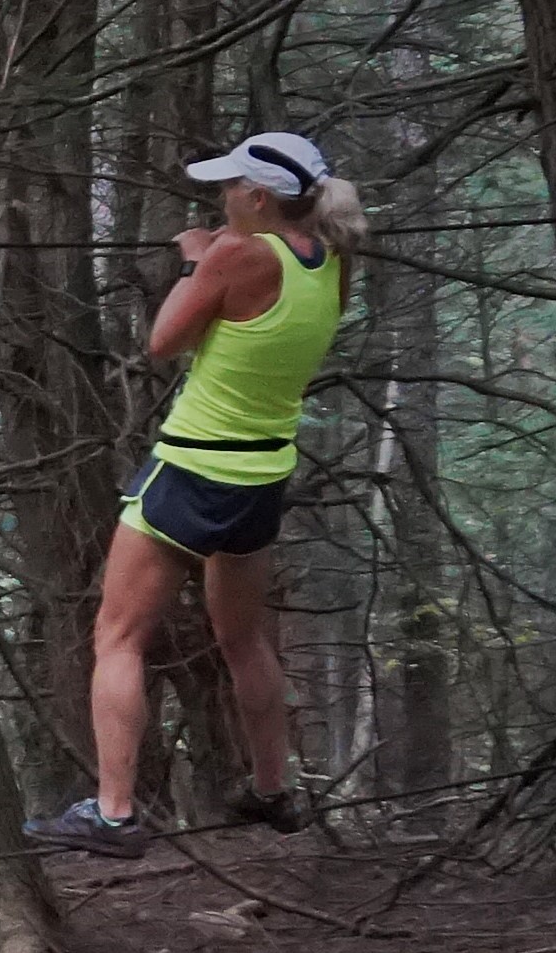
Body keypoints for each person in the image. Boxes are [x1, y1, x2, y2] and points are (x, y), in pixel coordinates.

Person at [28, 126, 367, 859]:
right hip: (263, 474)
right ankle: (272, 789)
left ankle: (113, 815)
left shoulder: (236, 256)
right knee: (242, 638)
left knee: (117, 637)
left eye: (230, 186)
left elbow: (163, 342)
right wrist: (222, 252)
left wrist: (196, 260)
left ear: (258, 198)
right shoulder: (333, 259)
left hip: (192, 468)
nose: (221, 196)